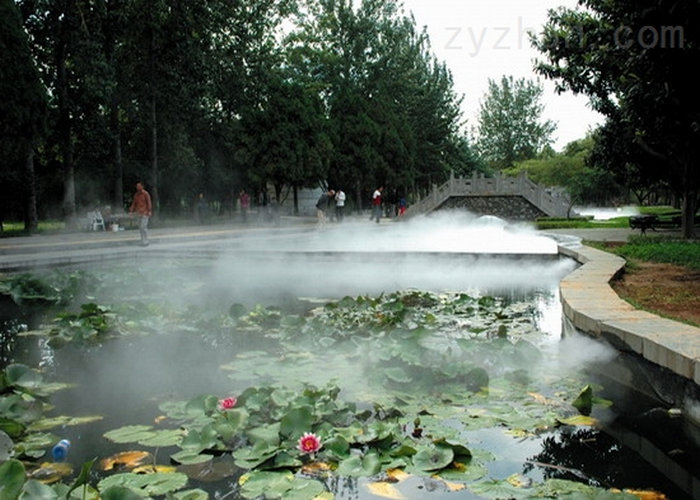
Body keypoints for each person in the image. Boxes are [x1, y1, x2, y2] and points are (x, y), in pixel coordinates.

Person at [129, 181, 152, 246]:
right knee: (140, 228)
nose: (137, 187)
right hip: (138, 213)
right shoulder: (136, 195)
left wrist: (149, 211)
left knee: (143, 227)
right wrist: (131, 211)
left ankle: (146, 240)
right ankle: (142, 240)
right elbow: (134, 204)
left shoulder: (146, 194)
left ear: (142, 186)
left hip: (145, 213)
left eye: (139, 186)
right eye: (137, 186)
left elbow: (149, 202)